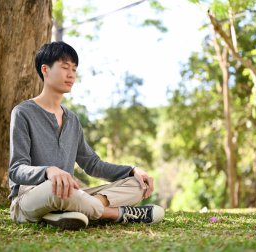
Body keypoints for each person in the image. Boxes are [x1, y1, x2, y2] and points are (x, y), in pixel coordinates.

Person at [8, 41, 164, 230]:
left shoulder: (72, 119)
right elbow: (16, 169)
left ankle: (67, 213)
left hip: (70, 194)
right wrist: (48, 171)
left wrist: (132, 171)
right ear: (45, 70)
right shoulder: (23, 112)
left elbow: (93, 165)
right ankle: (118, 214)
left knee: (137, 185)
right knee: (56, 190)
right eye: (65, 67)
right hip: (31, 196)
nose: (71, 74)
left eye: (74, 69)